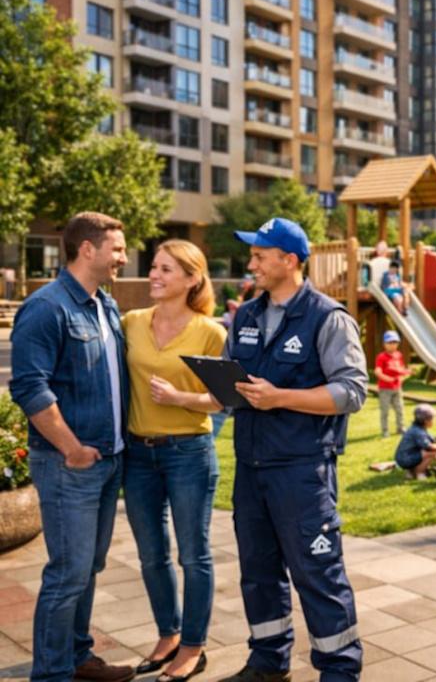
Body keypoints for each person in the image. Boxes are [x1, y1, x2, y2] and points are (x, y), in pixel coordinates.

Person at [213, 217, 369, 682]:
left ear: (290, 261)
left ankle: (340, 669)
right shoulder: (244, 315)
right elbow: (229, 379)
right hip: (251, 468)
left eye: (260, 255)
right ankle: (267, 661)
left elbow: (352, 391)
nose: (252, 263)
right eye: (253, 255)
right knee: (257, 572)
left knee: (318, 574)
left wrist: (280, 397)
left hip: (303, 474)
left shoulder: (329, 318)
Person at [9, 212, 136, 682]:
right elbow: (29, 388)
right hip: (70, 464)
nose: (123, 256)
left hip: (108, 461)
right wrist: (72, 448)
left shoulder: (104, 304)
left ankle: (78, 657)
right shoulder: (47, 307)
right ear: (88, 249)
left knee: (88, 568)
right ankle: (51, 673)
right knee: (67, 574)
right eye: (117, 248)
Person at [121, 240, 226, 682]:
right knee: (150, 555)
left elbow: (221, 401)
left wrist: (180, 397)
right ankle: (167, 634)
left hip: (189, 453)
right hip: (138, 454)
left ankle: (193, 646)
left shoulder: (210, 331)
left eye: (165, 269)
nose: (154, 275)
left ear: (191, 279)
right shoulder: (130, 322)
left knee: (194, 555)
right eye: (154, 268)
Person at [374, 329, 410, 437]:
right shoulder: (381, 357)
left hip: (397, 388)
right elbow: (377, 371)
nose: (392, 345)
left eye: (395, 342)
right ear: (384, 344)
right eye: (390, 343)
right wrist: (386, 378)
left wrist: (405, 375)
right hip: (385, 388)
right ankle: (385, 430)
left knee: (400, 409)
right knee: (385, 410)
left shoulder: (398, 355)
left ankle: (401, 428)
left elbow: (401, 368)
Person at [394, 404, 436, 479]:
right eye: (432, 419)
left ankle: (410, 473)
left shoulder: (417, 428)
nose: (434, 421)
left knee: (425, 452)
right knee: (432, 453)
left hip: (404, 457)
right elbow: (430, 447)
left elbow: (431, 439)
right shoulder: (418, 432)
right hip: (405, 459)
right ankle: (419, 473)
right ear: (426, 421)